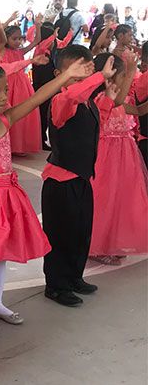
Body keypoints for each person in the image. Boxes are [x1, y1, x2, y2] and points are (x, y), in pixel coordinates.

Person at [0, 35, 91, 337]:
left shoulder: (5, 119)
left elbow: (38, 97)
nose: (3, 98)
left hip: (4, 198)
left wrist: (66, 75)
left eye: (5, 91)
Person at [42, 45, 118, 307]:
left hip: (82, 179)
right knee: (60, 235)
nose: (80, 77)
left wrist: (106, 98)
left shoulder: (88, 102)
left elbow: (94, 126)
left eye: (84, 70)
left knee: (80, 231)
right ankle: (56, 285)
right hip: (61, 181)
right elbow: (72, 96)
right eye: (73, 71)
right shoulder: (61, 100)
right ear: (58, 74)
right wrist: (99, 78)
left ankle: (74, 277)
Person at [89, 52, 147, 265]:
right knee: (105, 198)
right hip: (107, 155)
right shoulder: (101, 98)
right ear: (110, 78)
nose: (126, 82)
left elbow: (139, 110)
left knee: (122, 198)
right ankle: (97, 245)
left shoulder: (120, 101)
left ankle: (113, 241)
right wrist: (132, 70)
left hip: (125, 154)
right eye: (123, 77)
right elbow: (118, 100)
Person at [0, 20, 47, 154]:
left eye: (20, 38)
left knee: (23, 114)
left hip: (22, 84)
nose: (18, 41)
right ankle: (9, 143)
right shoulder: (2, 50)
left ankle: (20, 144)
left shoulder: (20, 51)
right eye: (15, 38)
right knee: (9, 112)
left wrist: (38, 25)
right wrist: (3, 25)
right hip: (8, 84)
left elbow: (36, 40)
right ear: (6, 38)